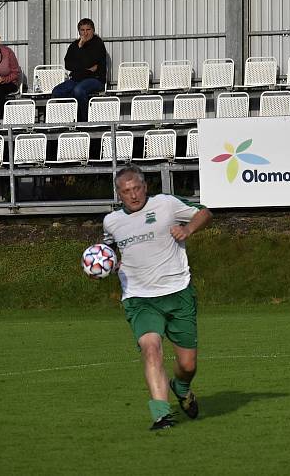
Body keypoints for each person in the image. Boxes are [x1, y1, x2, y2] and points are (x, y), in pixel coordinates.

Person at [102, 164, 213, 430]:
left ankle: (182, 387)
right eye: (126, 191)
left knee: (187, 365)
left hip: (178, 293)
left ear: (145, 187)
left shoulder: (166, 204)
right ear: (119, 194)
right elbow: (108, 250)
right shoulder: (111, 222)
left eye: (137, 188)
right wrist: (109, 263)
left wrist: (188, 230)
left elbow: (204, 213)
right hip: (139, 299)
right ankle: (161, 415)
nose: (133, 195)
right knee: (151, 350)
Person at [52, 18, 107, 122]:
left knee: (78, 90)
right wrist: (80, 48)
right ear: (79, 31)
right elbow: (68, 64)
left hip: (95, 79)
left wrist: (80, 64)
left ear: (93, 30)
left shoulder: (98, 44)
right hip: (77, 79)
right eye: (82, 30)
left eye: (88, 30)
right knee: (57, 92)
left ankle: (84, 121)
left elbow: (90, 62)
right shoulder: (75, 45)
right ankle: (77, 111)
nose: (85, 33)